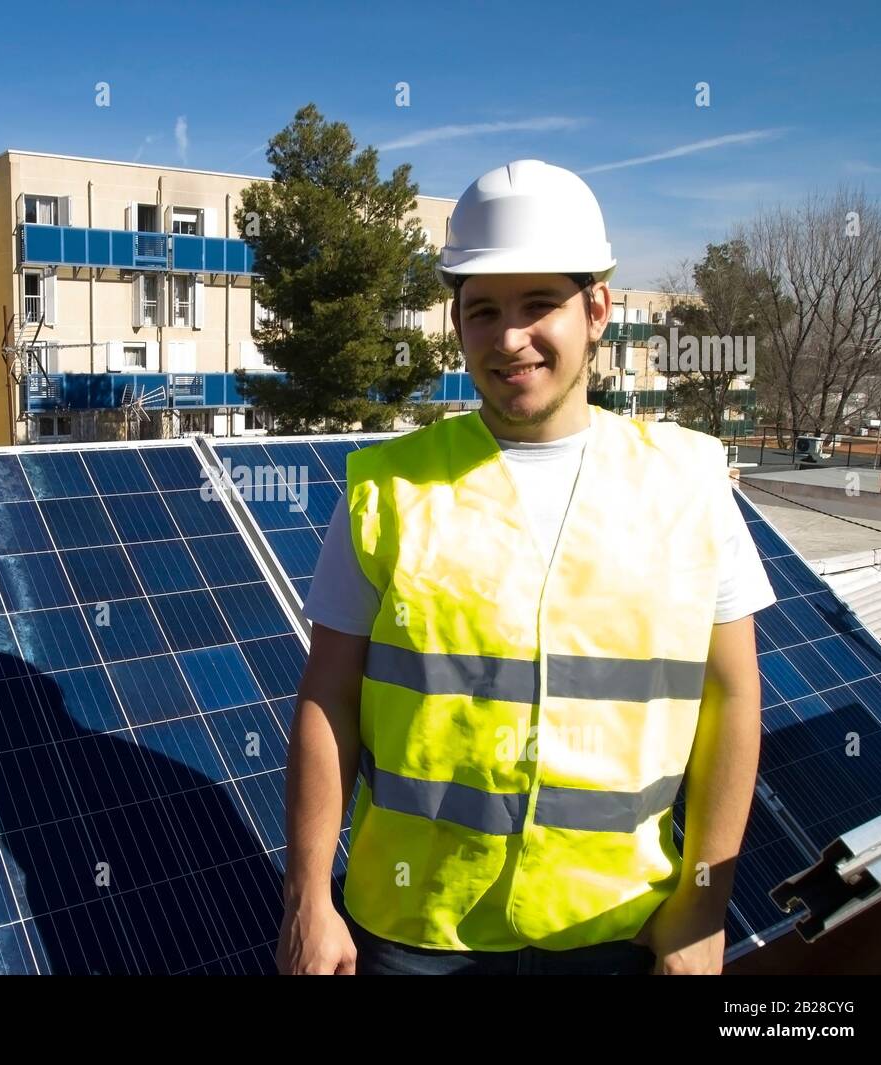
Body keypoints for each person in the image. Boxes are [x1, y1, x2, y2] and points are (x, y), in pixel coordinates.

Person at [276, 159, 775, 976]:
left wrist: (705, 901)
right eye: (484, 311)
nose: (510, 338)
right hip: (413, 930)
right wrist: (308, 898)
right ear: (457, 322)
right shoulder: (386, 488)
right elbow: (327, 697)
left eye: (539, 303)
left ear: (598, 310)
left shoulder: (690, 482)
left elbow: (732, 694)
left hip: (615, 929)